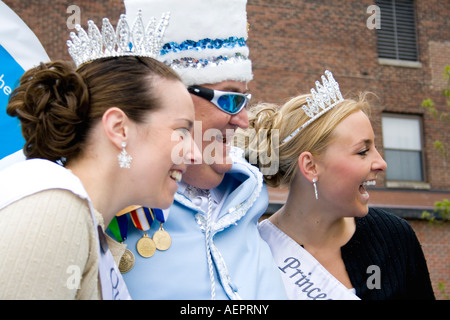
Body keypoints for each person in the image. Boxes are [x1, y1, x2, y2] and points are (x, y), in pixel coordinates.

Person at [0, 12, 200, 299]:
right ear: (119, 129)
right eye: (182, 131)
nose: (193, 153)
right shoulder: (55, 208)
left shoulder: (85, 224)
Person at [117, 0, 287, 299]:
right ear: (170, 99)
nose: (244, 121)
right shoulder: (105, 206)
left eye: (245, 100)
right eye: (231, 99)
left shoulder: (250, 194)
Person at [239, 70, 435, 300]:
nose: (381, 163)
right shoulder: (255, 253)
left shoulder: (394, 237)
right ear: (310, 166)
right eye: (363, 151)